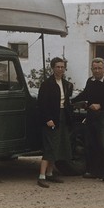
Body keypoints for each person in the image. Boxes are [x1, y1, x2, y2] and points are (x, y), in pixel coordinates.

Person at [71, 57, 104, 185]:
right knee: (91, 144)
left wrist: (101, 105)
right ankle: (92, 171)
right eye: (95, 68)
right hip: (91, 116)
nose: (97, 71)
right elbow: (85, 95)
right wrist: (71, 101)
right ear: (91, 69)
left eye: (99, 68)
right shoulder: (90, 81)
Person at [37, 57, 73, 188]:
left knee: (57, 146)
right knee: (49, 146)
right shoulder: (47, 84)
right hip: (51, 118)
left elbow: (67, 102)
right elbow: (41, 104)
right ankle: (41, 176)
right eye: (58, 67)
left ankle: (50, 173)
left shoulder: (66, 84)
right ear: (52, 68)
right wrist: (47, 119)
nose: (60, 69)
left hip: (62, 117)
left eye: (62, 67)